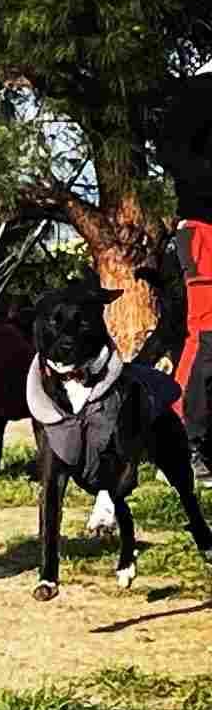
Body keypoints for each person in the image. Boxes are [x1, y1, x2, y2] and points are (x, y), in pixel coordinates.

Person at [135, 77, 212, 486]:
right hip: (204, 227)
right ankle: (182, 436)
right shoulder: (198, 93)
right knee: (207, 336)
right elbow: (173, 151)